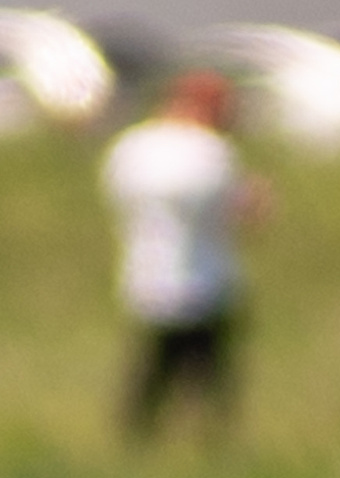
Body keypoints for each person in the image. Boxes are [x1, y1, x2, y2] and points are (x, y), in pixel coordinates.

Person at [98, 68, 264, 436]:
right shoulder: (211, 153)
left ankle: (137, 439)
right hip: (207, 280)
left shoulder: (130, 149)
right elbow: (238, 213)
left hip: (145, 276)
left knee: (153, 368)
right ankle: (212, 443)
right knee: (210, 377)